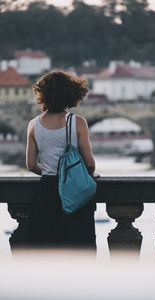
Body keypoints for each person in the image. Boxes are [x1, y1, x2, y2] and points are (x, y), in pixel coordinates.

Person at [26, 70, 97, 248]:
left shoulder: (33, 124)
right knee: (77, 246)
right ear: (71, 93)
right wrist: (76, 175)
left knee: (47, 247)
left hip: (46, 192)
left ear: (43, 94)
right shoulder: (78, 122)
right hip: (74, 191)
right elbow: (89, 163)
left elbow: (31, 165)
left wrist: (51, 172)